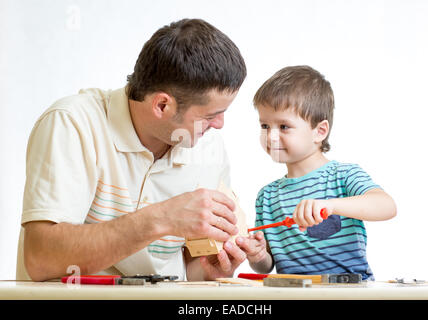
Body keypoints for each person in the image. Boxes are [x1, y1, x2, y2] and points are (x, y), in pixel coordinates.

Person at [17, 18, 248, 282]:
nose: (219, 125)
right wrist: (162, 217)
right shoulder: (73, 123)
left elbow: (189, 271)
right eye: (210, 116)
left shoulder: (208, 147)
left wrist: (208, 270)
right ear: (162, 105)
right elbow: (40, 259)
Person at [236, 66, 396, 280]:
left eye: (284, 126)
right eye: (265, 125)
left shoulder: (343, 175)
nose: (271, 136)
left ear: (319, 131)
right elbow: (267, 266)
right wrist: (257, 255)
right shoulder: (266, 197)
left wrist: (331, 205)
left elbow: (387, 206)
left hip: (350, 294)